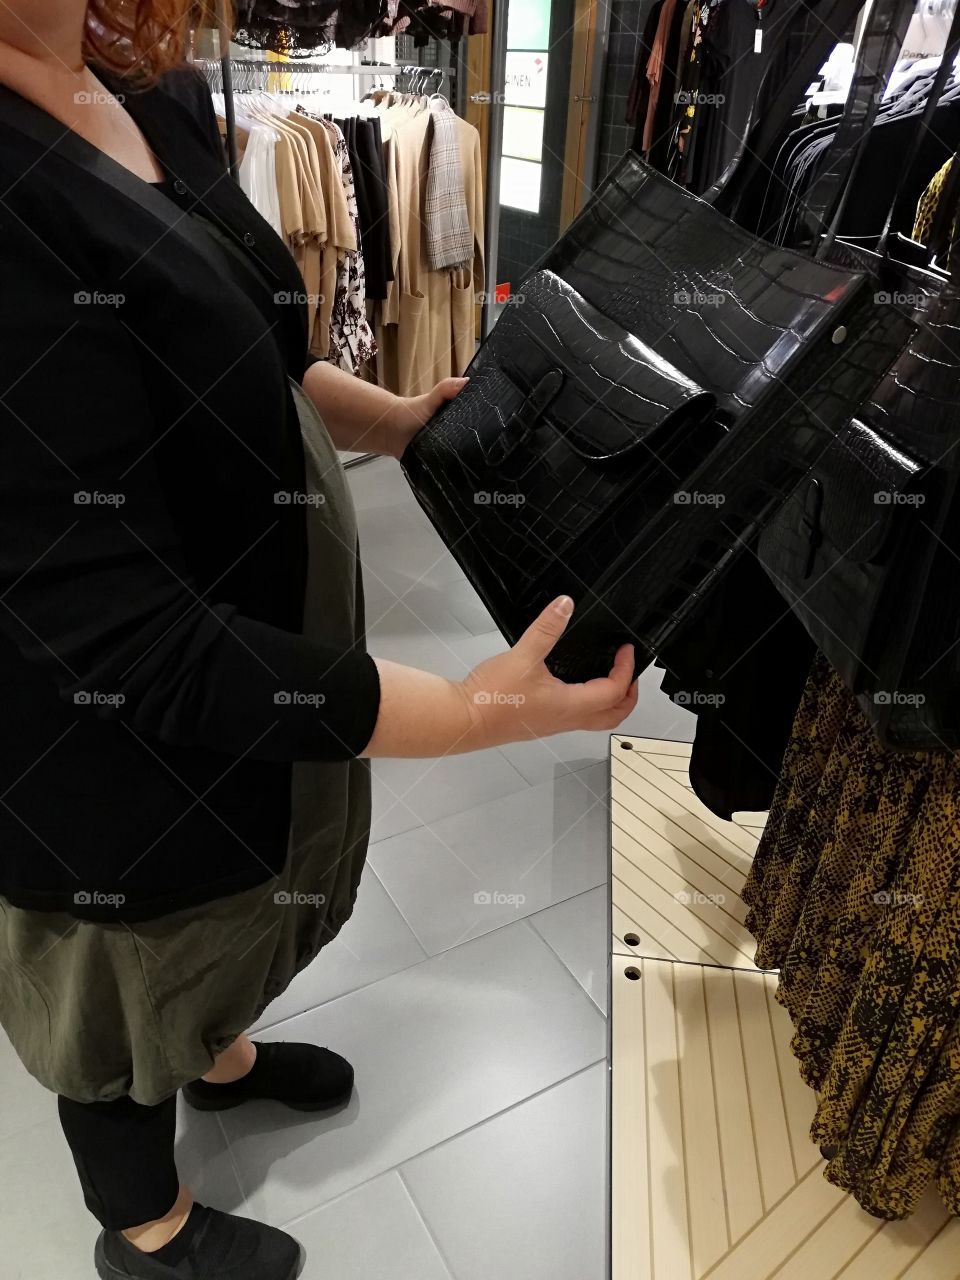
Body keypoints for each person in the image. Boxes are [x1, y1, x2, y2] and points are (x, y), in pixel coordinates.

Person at [0, 4, 638, 1278]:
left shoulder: (146, 92)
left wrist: (398, 418)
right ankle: (146, 1225)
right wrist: (472, 716)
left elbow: (265, 350)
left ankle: (218, 1053)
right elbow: (125, 638)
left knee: (229, 910)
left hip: (261, 652)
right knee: (124, 982)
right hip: (113, 737)